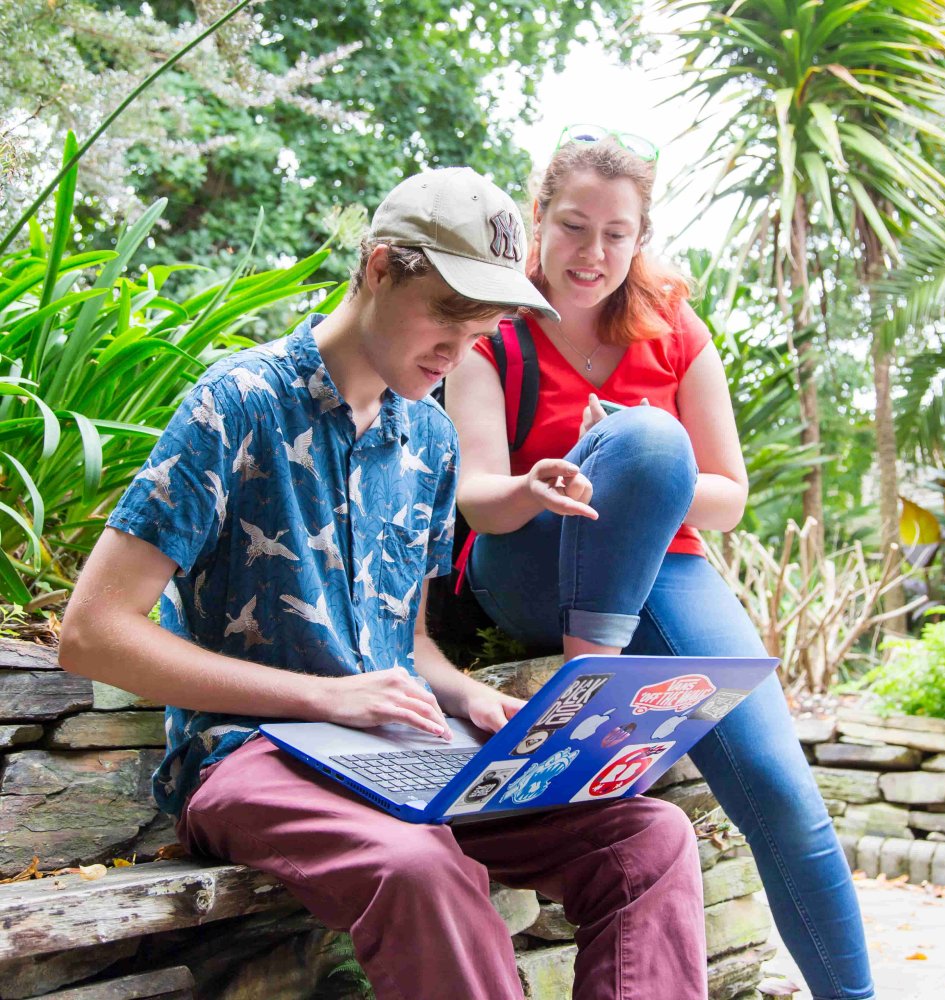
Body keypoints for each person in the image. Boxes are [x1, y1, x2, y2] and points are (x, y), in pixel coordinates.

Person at [59, 166, 709, 1000]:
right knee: (418, 867)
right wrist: (326, 699)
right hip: (250, 757)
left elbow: (402, 642)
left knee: (648, 838)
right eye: (446, 313)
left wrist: (465, 697)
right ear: (377, 267)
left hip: (399, 755)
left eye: (482, 329)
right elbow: (93, 631)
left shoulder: (430, 438)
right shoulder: (238, 403)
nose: (459, 349)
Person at [445, 129, 876, 1000]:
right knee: (643, 436)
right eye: (572, 226)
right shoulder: (495, 325)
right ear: (538, 218)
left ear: (641, 236)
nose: (592, 252)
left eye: (616, 233)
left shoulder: (674, 325)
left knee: (784, 795)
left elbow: (729, 496)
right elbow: (477, 497)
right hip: (530, 558)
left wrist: (643, 472)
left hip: (663, 567)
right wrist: (547, 479)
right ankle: (588, 676)